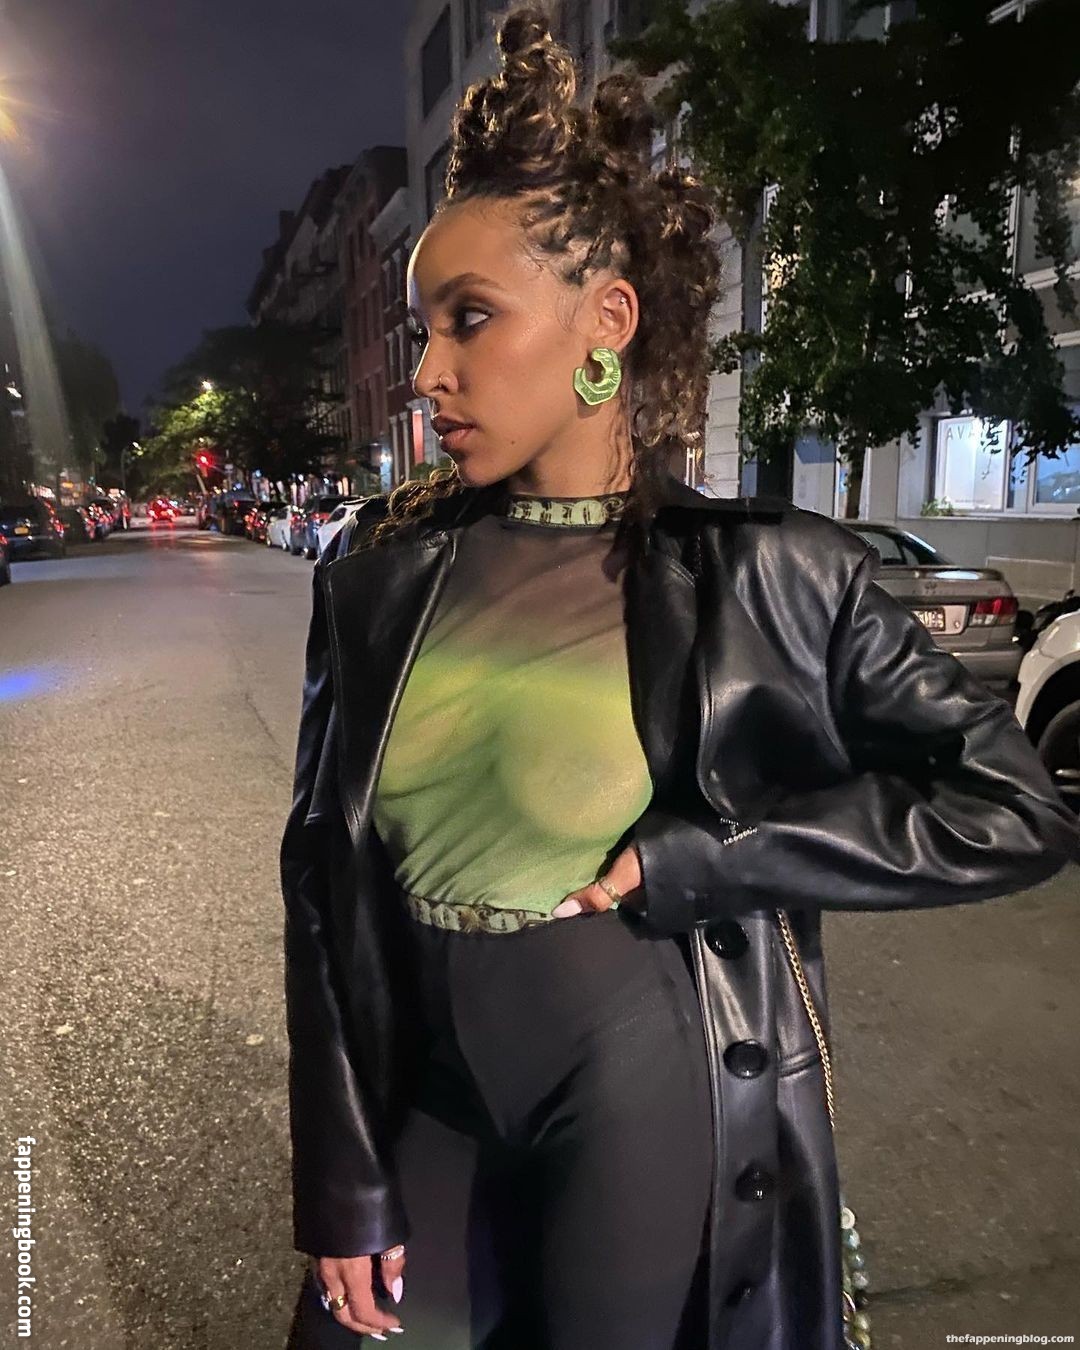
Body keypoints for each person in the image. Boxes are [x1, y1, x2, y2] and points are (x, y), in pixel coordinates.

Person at [279, 9, 1080, 1349]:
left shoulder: (771, 576)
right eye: (423, 328)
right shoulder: (376, 574)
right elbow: (320, 880)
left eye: (469, 320)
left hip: (641, 1080)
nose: (426, 374)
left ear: (605, 323)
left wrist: (715, 856)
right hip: (428, 1087)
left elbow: (1016, 805)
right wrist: (341, 1175)